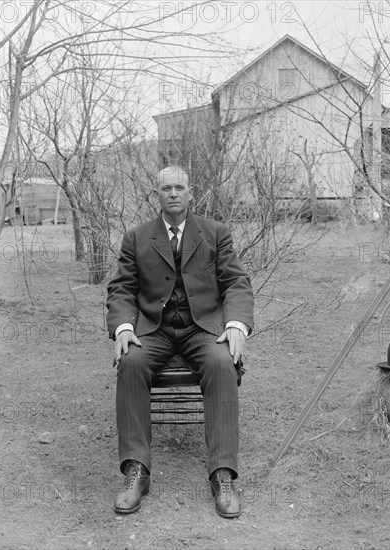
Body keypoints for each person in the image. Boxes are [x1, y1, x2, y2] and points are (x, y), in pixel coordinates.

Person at [106, 166, 254, 518]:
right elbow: (122, 289)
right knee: (131, 362)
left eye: (179, 187)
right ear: (156, 195)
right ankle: (135, 470)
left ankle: (222, 474)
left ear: (191, 193)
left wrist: (235, 323)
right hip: (153, 329)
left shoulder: (215, 233)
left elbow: (236, 282)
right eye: (165, 188)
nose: (173, 193)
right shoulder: (137, 238)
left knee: (221, 363)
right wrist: (124, 328)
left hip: (201, 327)